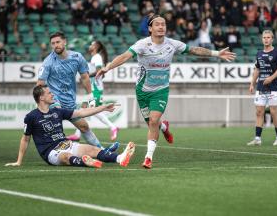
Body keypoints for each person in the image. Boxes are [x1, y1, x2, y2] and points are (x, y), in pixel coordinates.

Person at [96, 14, 235, 169]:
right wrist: (108, 67)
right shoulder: (142, 45)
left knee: (153, 121)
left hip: (161, 90)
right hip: (142, 90)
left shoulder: (172, 44)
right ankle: (164, 127)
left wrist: (217, 53)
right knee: (153, 124)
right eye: (157, 24)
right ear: (150, 28)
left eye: (163, 24)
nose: (161, 27)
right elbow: (124, 56)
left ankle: (148, 157)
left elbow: (193, 50)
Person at [5, 85, 135, 168]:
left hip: (66, 144)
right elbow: (25, 139)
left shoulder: (57, 111)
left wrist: (103, 108)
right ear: (41, 97)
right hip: (51, 152)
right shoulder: (31, 116)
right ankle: (84, 162)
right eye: (49, 93)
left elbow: (82, 112)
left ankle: (120, 158)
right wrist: (19, 161)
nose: (52, 94)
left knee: (93, 149)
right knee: (65, 157)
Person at [37, 32, 116, 152]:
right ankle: (57, 154)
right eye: (53, 43)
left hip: (69, 101)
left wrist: (90, 96)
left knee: (84, 127)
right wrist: (43, 101)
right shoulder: (48, 62)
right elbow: (40, 84)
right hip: (54, 101)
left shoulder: (77, 57)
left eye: (58, 42)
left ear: (65, 42)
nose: (55, 45)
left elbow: (85, 77)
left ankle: (101, 151)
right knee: (55, 128)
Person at [67, 41, 119, 141]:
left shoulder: (97, 57)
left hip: (96, 90)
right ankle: (77, 134)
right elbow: (101, 73)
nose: (90, 46)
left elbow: (99, 71)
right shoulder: (95, 57)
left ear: (95, 47)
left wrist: (85, 76)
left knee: (89, 110)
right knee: (84, 109)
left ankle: (112, 127)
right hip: (93, 89)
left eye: (91, 44)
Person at [247, 30, 277, 146]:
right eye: (264, 37)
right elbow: (257, 69)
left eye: (268, 37)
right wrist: (252, 83)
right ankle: (257, 139)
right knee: (259, 112)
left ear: (272, 39)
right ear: (262, 39)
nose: (266, 39)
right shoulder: (259, 53)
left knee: (274, 112)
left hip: (273, 87)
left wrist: (271, 78)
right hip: (261, 88)